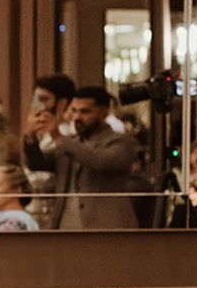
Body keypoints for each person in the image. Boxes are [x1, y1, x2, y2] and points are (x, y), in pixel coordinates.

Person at [24, 85, 138, 229]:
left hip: (107, 228)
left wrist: (57, 136)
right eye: (74, 111)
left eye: (85, 111)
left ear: (104, 112)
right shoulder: (71, 143)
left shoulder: (122, 142)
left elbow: (100, 160)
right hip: (67, 227)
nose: (77, 117)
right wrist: (30, 136)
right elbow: (38, 163)